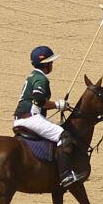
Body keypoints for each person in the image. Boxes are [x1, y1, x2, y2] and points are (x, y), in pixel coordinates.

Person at [12, 45, 80, 187]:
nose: (52, 64)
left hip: (21, 119)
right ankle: (65, 175)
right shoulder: (41, 79)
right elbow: (38, 100)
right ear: (45, 64)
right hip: (31, 118)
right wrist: (57, 105)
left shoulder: (32, 75)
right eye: (51, 62)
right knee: (64, 136)